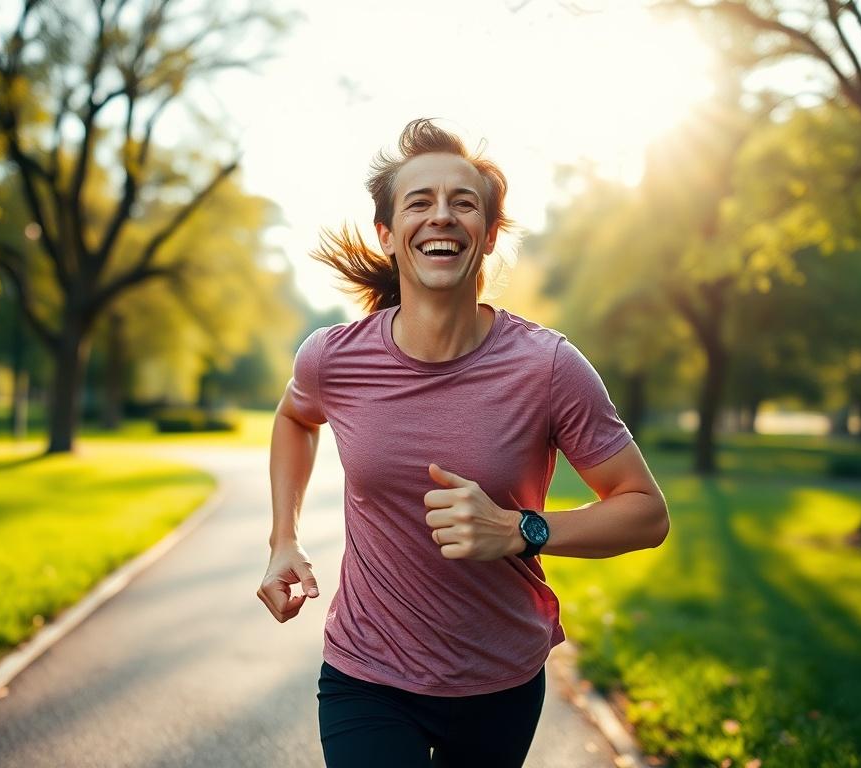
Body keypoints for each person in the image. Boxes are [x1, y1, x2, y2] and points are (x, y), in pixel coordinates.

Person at [257, 118, 670, 768]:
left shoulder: (548, 368)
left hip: (498, 681)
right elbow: (293, 418)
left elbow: (646, 512)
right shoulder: (333, 359)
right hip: (366, 672)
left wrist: (520, 530)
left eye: (464, 202)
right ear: (389, 235)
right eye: (419, 201)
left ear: (489, 235)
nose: (441, 216)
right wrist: (284, 538)